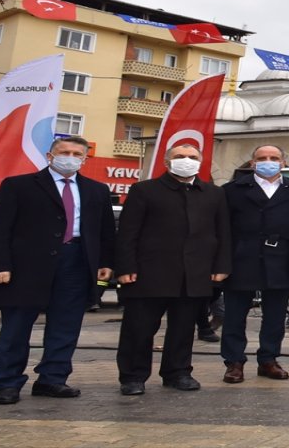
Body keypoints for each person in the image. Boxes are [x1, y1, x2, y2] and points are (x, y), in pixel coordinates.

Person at [0, 136, 115, 405]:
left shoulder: (97, 190)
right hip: (26, 267)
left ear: (84, 158)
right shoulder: (19, 186)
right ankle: (7, 383)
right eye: (64, 152)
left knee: (65, 327)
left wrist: (105, 262)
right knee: (16, 327)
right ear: (50, 156)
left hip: (76, 263)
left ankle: (52, 379)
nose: (70, 157)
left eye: (77, 153)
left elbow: (105, 232)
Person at [115, 144, 231, 395]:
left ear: (200, 162)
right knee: (140, 328)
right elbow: (127, 232)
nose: (186, 161)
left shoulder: (213, 193)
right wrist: (125, 266)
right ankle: (133, 376)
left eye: (192, 157)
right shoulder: (144, 190)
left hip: (194, 274)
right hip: (148, 273)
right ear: (167, 162)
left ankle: (177, 372)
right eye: (179, 157)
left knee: (183, 328)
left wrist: (221, 266)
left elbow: (222, 232)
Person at [219, 144, 289, 384]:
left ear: (283, 162)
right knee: (235, 314)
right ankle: (234, 362)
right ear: (252, 163)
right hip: (242, 257)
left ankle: (268, 359)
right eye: (262, 158)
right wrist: (222, 261)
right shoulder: (232, 190)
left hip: (281, 258)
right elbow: (222, 229)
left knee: (275, 315)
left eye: (274, 157)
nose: (268, 161)